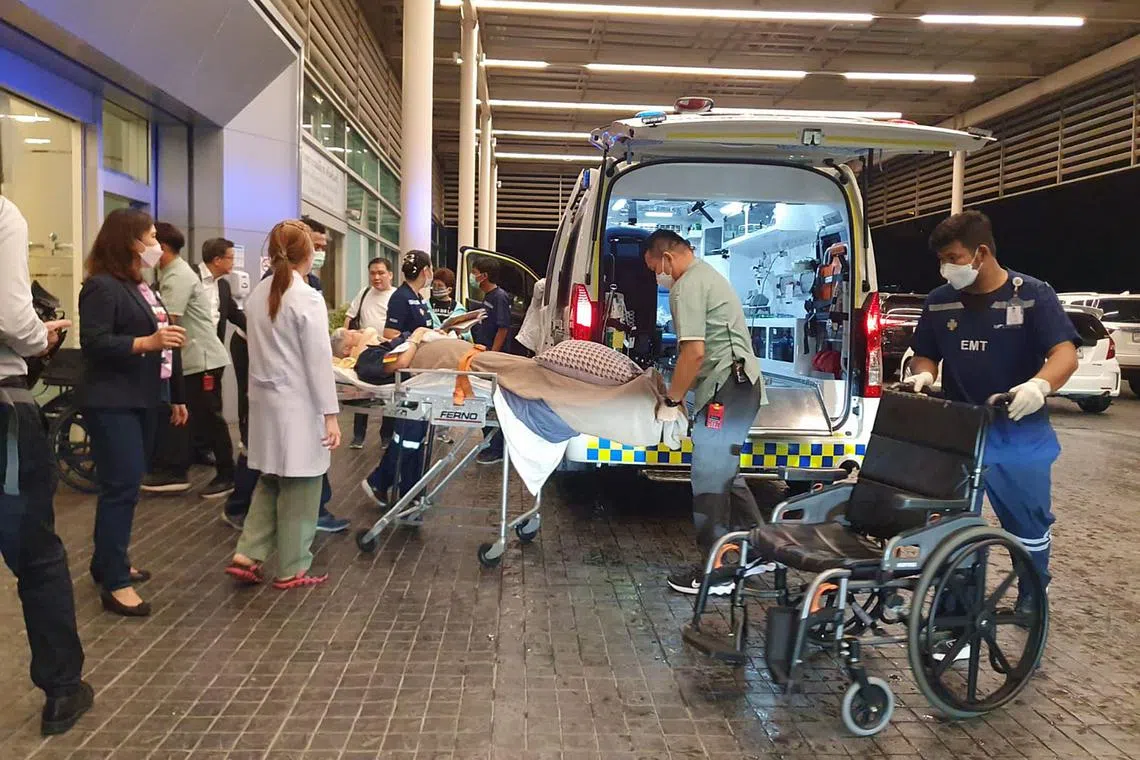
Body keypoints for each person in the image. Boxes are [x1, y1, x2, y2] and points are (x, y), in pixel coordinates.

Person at [908, 210, 1078, 618]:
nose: (945, 268)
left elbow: (1065, 353)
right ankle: (954, 614)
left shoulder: (1032, 295)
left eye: (952, 258)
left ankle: (1032, 594)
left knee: (1028, 524)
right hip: (961, 433)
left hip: (1019, 434)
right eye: (941, 261)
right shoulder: (939, 301)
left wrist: (1039, 386)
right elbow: (925, 353)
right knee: (953, 525)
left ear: (980, 253)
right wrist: (924, 374)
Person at [0, 193, 92, 735]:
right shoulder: (3, 213)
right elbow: (14, 317)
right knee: (35, 556)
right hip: (4, 410)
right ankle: (61, 689)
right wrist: (42, 336)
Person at [642, 229, 767, 595]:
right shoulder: (707, 275)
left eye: (655, 269)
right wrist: (682, 394)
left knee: (709, 475)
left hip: (729, 389)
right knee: (725, 471)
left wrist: (671, 400)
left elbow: (693, 353)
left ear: (667, 258)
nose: (657, 277)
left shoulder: (687, 286)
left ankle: (717, 570)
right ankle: (762, 549)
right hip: (739, 387)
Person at [78, 209, 189, 616]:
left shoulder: (140, 285)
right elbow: (95, 342)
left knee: (126, 485)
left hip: (144, 397)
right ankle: (115, 583)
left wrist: (175, 393)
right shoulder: (101, 286)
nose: (157, 244)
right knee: (121, 487)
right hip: (112, 401)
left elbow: (165, 342)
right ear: (130, 241)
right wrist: (145, 343)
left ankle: (108, 561)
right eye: (151, 236)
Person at [225, 220, 341, 589]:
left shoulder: (259, 294)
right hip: (298, 404)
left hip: (265, 402)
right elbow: (318, 361)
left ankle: (248, 554)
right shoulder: (306, 297)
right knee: (302, 486)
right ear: (307, 253)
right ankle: (293, 567)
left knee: (271, 478)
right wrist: (331, 414)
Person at [142, 223, 235, 498]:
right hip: (190, 357)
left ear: (163, 247)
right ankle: (176, 470)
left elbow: (168, 320)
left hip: (202, 358)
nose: (146, 247)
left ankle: (228, 474)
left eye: (151, 240)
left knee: (209, 417)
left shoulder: (178, 275)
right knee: (186, 416)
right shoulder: (169, 272)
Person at [361, 250, 434, 506]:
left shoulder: (417, 298)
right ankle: (380, 481)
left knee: (417, 433)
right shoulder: (401, 297)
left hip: (420, 371)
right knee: (409, 433)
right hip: (407, 373)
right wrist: (415, 338)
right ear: (426, 271)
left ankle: (409, 490)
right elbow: (391, 334)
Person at [192, 238, 243, 465]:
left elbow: (233, 314)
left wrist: (258, 330)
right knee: (194, 405)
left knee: (212, 405)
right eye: (231, 257)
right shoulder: (189, 277)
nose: (234, 262)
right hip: (189, 355)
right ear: (217, 260)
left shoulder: (223, 286)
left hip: (213, 355)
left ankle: (203, 449)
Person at [346, 257, 395, 449]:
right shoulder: (364, 293)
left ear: (390, 274)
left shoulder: (396, 296)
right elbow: (350, 317)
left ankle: (386, 436)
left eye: (381, 273)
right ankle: (358, 435)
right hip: (364, 350)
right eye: (373, 273)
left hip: (386, 351)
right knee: (361, 392)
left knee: (389, 393)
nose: (376, 277)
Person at [469, 257, 513, 465]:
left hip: (492, 358)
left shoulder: (499, 297)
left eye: (475, 272)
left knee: (493, 404)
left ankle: (497, 448)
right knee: (485, 401)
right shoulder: (487, 296)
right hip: (483, 353)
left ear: (484, 276)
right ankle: (490, 443)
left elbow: (503, 328)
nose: (473, 276)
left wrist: (492, 356)